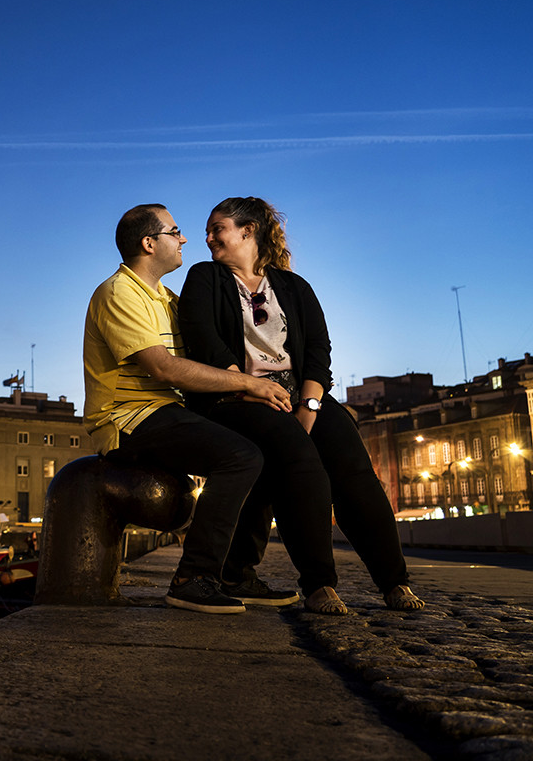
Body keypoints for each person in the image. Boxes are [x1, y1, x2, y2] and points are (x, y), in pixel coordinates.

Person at [178, 197, 424, 613]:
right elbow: (202, 338)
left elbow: (317, 350)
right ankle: (319, 585)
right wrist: (249, 387)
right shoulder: (204, 278)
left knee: (353, 469)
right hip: (233, 396)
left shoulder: (294, 287)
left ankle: (394, 582)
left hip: (296, 394)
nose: (207, 238)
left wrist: (309, 405)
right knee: (301, 464)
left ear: (248, 230)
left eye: (216, 228)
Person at [85, 203, 302, 615]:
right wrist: (249, 383)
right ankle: (192, 579)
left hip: (169, 411)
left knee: (271, 445)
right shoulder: (119, 292)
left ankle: (236, 573)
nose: (185, 238)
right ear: (149, 243)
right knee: (240, 456)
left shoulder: (166, 298)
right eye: (175, 230)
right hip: (128, 418)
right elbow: (164, 368)